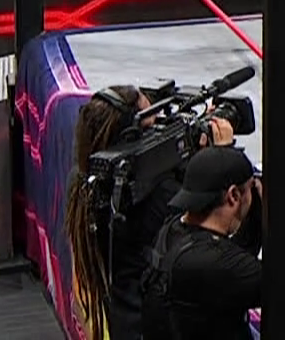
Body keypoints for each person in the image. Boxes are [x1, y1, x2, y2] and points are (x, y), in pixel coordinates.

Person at [66, 88, 237, 340]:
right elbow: (225, 233)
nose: (162, 129)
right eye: (153, 127)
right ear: (132, 140)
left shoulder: (84, 182)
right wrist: (220, 159)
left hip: (122, 323)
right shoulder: (161, 199)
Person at [141, 146, 264, 340]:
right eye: (250, 188)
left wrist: (257, 213)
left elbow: (238, 256)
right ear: (233, 196)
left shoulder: (173, 230)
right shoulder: (212, 263)